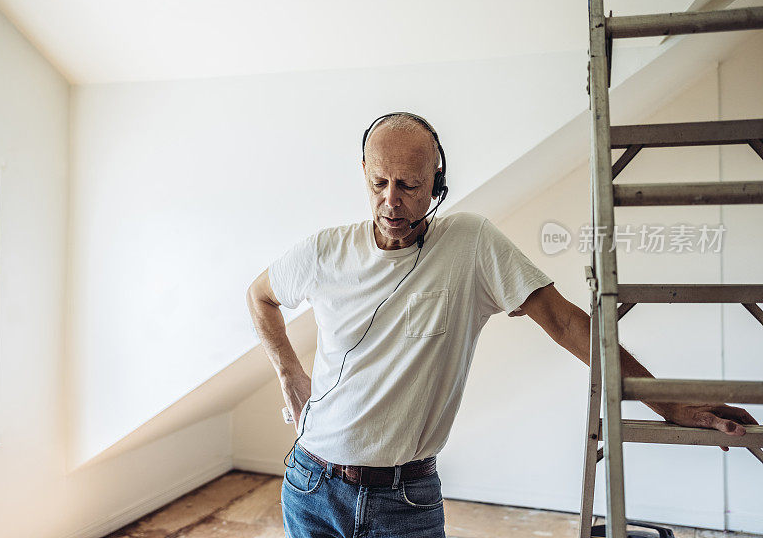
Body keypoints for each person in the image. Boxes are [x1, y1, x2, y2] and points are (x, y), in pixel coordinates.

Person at [246, 112, 757, 538]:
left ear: (438, 182)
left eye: (409, 185)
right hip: (312, 486)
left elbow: (566, 323)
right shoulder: (323, 252)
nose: (391, 201)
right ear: (363, 172)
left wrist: (669, 404)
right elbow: (260, 296)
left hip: (405, 500)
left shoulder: (471, 244)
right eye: (379, 183)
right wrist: (289, 372)